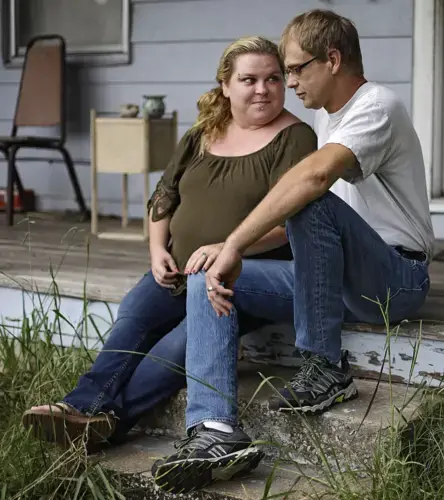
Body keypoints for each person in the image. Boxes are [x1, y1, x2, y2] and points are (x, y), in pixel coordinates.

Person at [151, 8, 435, 493]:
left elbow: (314, 181)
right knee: (207, 274)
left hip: (394, 279)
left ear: (332, 59)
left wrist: (237, 241)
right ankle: (216, 431)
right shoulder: (327, 119)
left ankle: (325, 370)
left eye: (297, 68)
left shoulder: (377, 105)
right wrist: (225, 252)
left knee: (309, 196)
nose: (290, 81)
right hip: (331, 280)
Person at [20, 36, 318, 464]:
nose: (263, 89)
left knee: (180, 344)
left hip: (237, 277)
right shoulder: (203, 134)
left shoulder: (295, 138)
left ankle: (110, 423)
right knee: (135, 316)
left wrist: (228, 247)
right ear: (226, 84)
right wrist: (157, 249)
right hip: (176, 269)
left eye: (273, 79)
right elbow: (164, 196)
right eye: (249, 79)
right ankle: (80, 406)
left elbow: (293, 224)